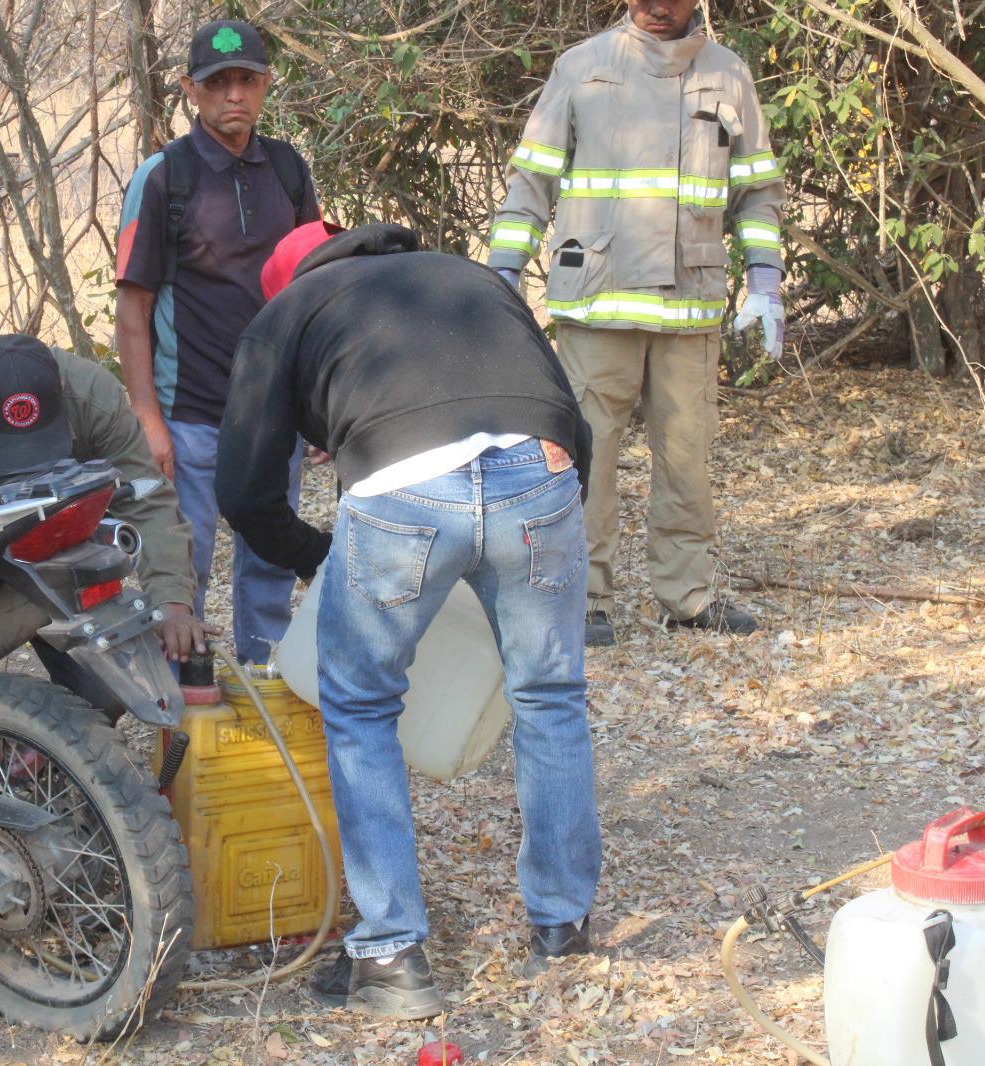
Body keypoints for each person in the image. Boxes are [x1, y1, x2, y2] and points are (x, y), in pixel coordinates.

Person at [216, 221, 602, 1017]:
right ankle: (562, 928)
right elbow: (575, 425)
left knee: (358, 709)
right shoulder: (470, 278)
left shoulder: (286, 315)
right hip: (541, 468)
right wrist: (533, 531)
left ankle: (392, 958)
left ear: (291, 282)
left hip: (404, 493)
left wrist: (317, 552)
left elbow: (246, 492)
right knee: (550, 694)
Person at [487, 0, 786, 646]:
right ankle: (580, 598)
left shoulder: (728, 74)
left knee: (688, 458)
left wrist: (765, 275)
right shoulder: (582, 67)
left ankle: (689, 597)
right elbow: (532, 177)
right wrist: (502, 272)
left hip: (689, 305)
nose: (656, 6)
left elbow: (758, 187)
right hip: (600, 301)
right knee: (584, 456)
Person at [113, 17, 321, 664]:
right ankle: (186, 708)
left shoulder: (287, 171)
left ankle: (268, 681)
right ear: (190, 91)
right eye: (218, 82)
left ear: (265, 86)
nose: (234, 95)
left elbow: (314, 292)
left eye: (247, 81)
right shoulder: (165, 177)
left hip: (273, 416)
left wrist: (315, 408)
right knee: (185, 572)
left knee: (269, 562)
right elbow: (133, 304)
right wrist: (147, 417)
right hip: (191, 417)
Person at [0, 333, 208, 662]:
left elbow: (146, 500)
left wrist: (171, 603)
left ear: (61, 393)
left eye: (43, 444)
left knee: (106, 686)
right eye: (12, 453)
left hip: (66, 550)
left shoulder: (92, 397)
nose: (31, 470)